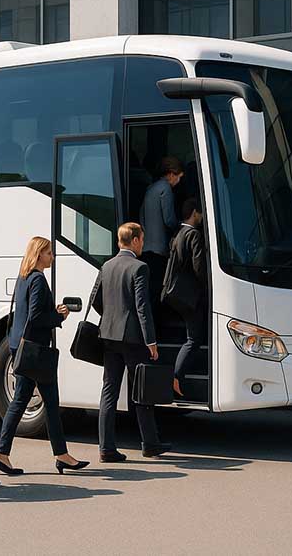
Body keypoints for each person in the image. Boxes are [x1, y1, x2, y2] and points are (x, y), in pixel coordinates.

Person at [0, 237, 89, 476]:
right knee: (41, 403)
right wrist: (58, 317)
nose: (52, 257)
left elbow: (26, 313)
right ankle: (5, 454)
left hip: (21, 347)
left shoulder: (23, 277)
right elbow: (35, 317)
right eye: (49, 253)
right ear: (39, 254)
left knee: (30, 401)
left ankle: (8, 454)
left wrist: (51, 312)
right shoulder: (37, 279)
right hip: (36, 350)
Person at [91, 223, 171, 462]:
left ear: (119, 241)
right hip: (133, 338)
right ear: (135, 240)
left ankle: (106, 448)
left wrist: (110, 317)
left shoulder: (106, 266)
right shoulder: (140, 267)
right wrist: (151, 341)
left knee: (109, 392)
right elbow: (142, 307)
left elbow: (95, 299)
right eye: (142, 239)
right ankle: (150, 444)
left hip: (108, 335)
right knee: (141, 391)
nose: (143, 244)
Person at [161, 199, 208, 397]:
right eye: (201, 213)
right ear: (195, 213)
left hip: (174, 293)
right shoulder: (194, 235)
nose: (203, 217)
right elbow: (199, 268)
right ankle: (176, 377)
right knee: (193, 339)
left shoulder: (177, 234)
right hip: (189, 296)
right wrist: (207, 288)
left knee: (192, 336)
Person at [140, 157, 184, 303]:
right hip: (159, 249)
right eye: (179, 177)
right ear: (171, 174)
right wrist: (181, 226)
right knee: (158, 290)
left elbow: (142, 217)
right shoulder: (166, 189)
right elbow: (169, 219)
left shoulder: (150, 188)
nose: (179, 181)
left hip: (146, 247)